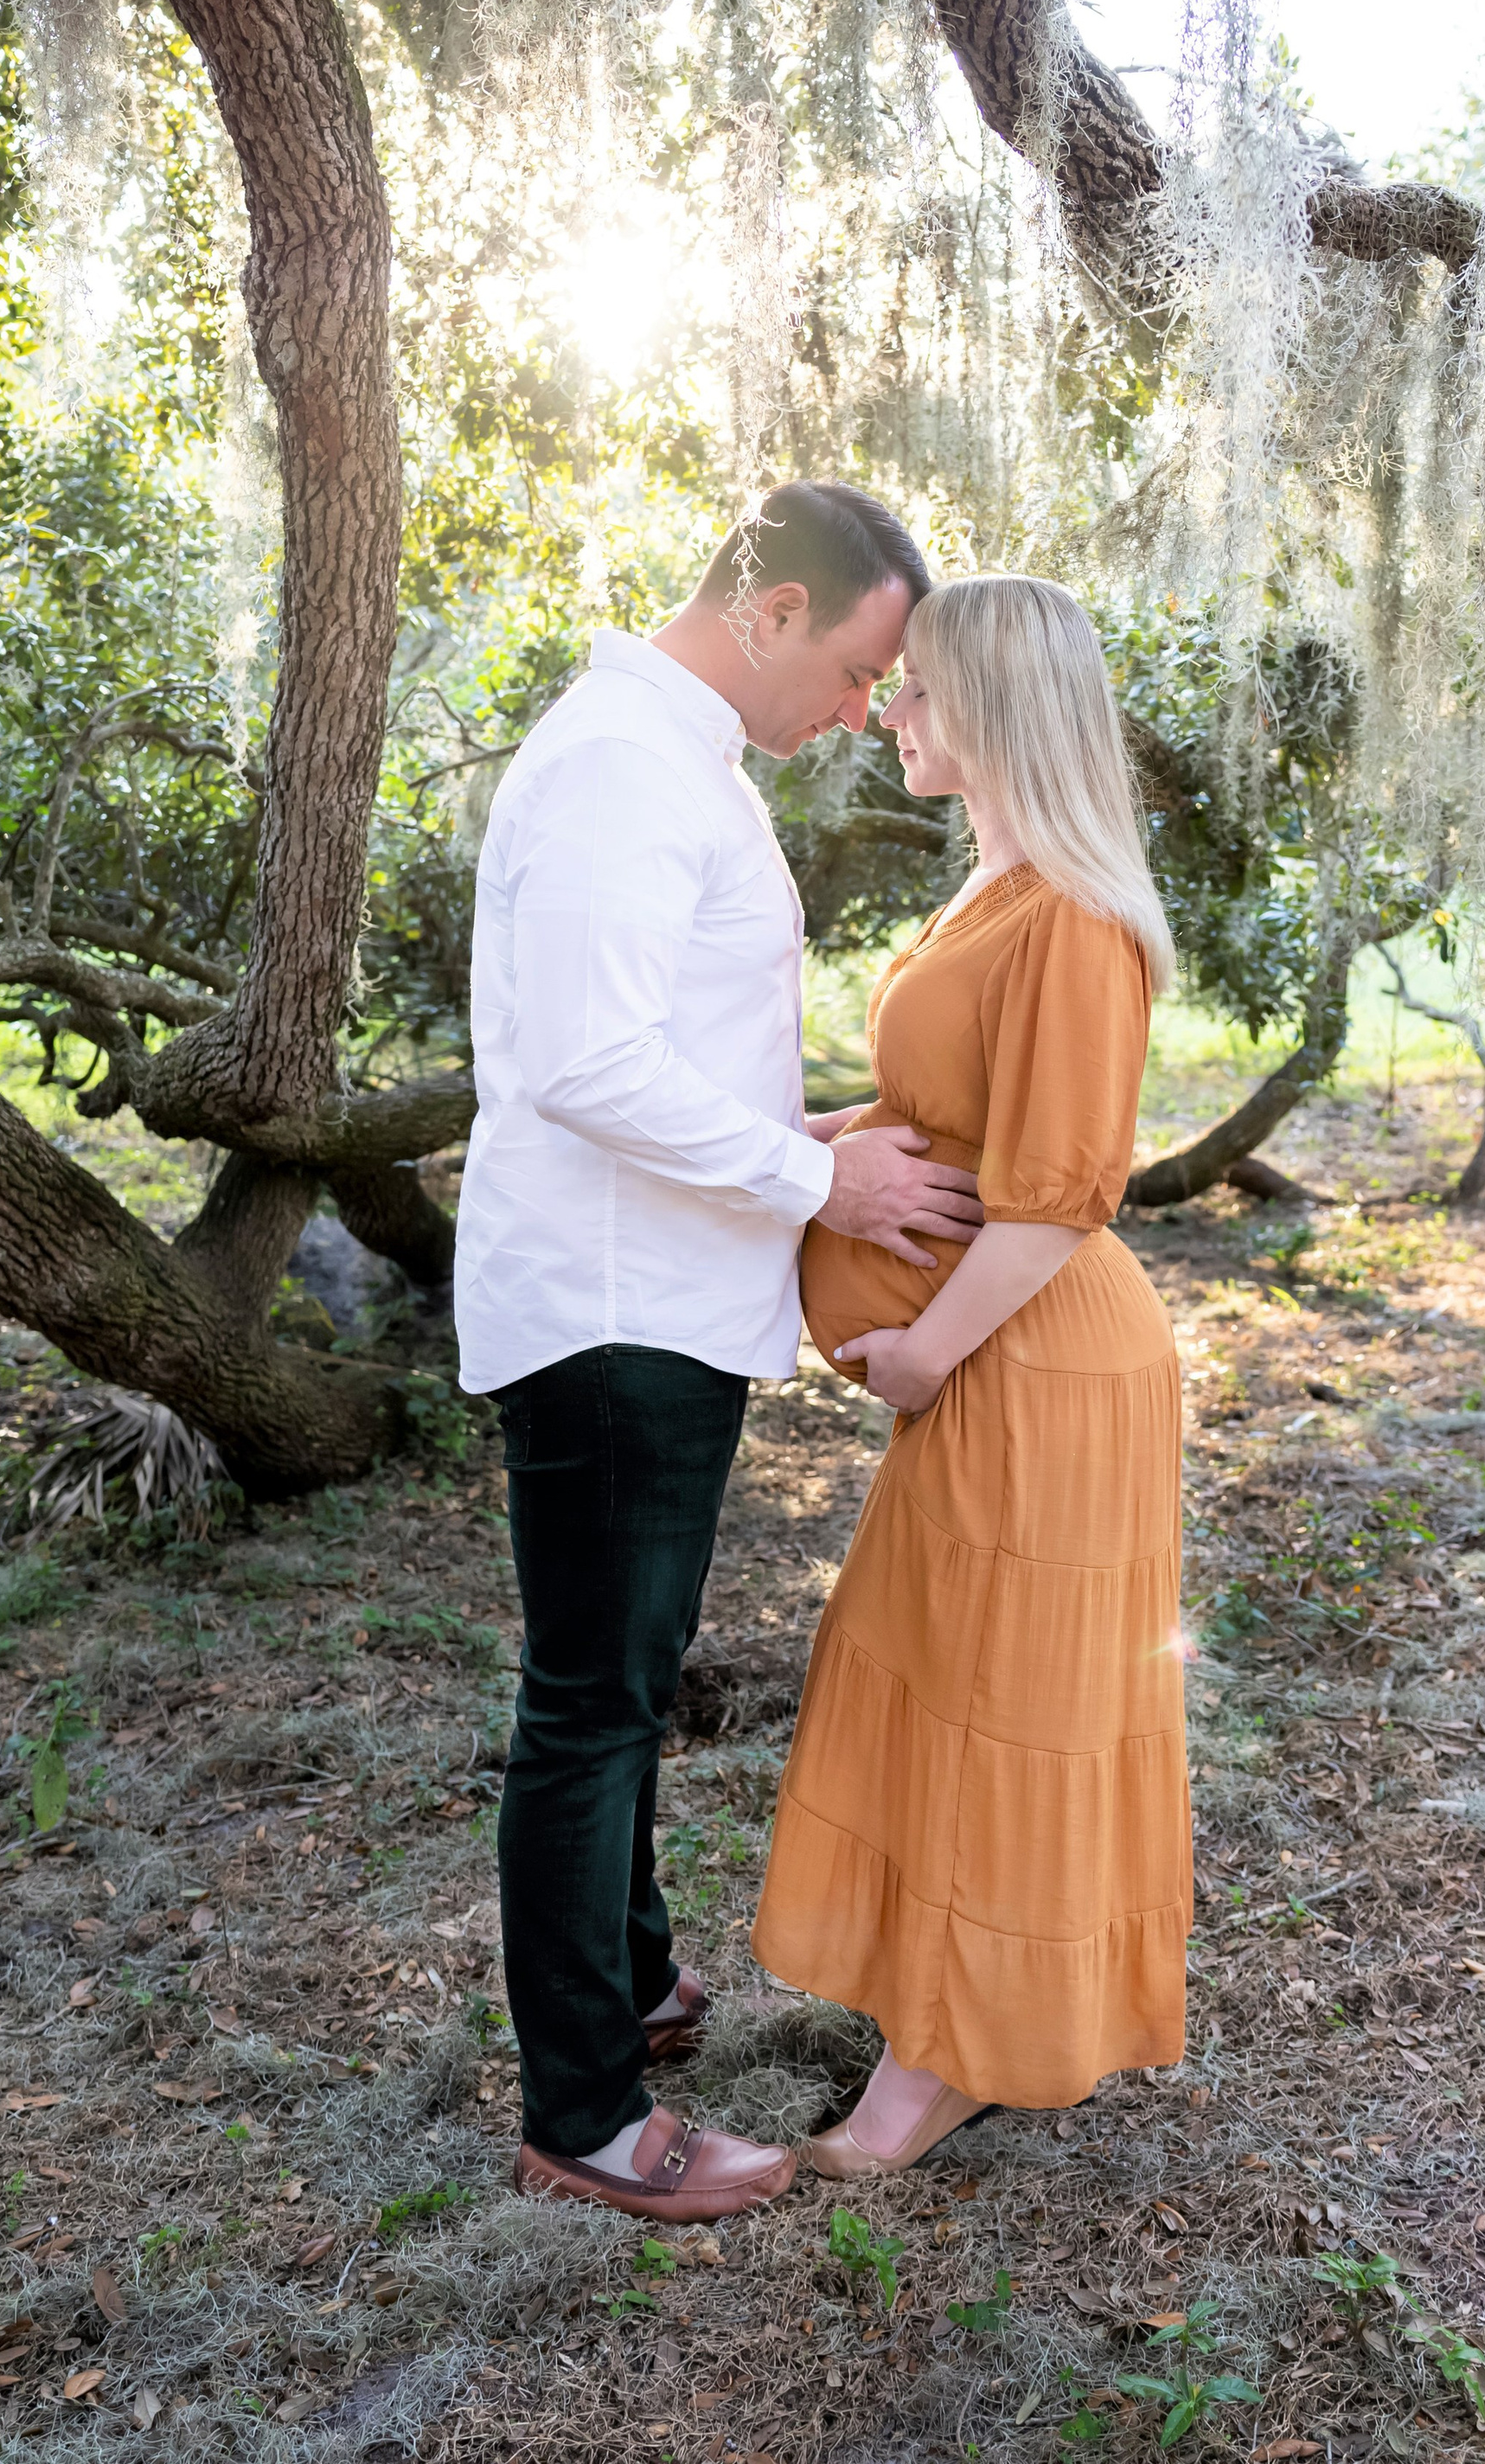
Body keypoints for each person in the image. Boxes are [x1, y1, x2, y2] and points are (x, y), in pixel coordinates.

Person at [457, 483, 986, 2225]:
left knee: (627, 1667)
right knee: (592, 1699)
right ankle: (586, 2111)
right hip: (612, 1305)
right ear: (767, 605)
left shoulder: (677, 761)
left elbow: (660, 1045)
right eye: (850, 669)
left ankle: (634, 1981)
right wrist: (809, 1170)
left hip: (661, 1289)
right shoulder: (620, 762)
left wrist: (800, 1123)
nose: (858, 712)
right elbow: (583, 1068)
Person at [752, 574, 1188, 2175]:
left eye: (921, 689)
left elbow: (1059, 1189)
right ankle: (949, 2004)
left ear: (996, 708)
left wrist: (928, 1344)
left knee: (1009, 1694)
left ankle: (946, 2063)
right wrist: (806, 1145)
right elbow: (949, 1108)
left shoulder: (1072, 915)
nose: (892, 711)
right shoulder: (991, 893)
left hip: (1034, 1361)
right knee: (944, 1673)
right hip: (991, 1363)